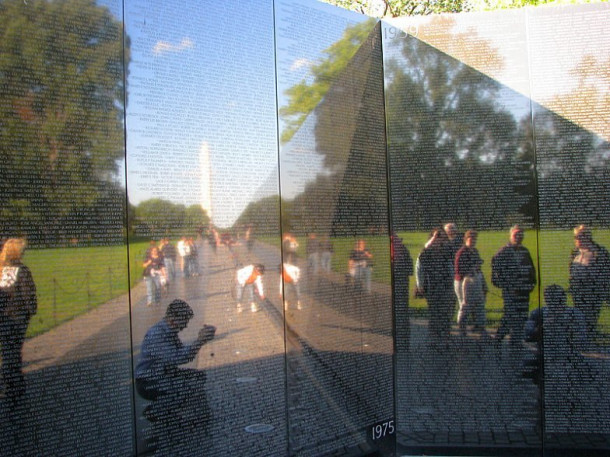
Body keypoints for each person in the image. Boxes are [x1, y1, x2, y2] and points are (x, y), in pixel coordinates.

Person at [135, 299, 215, 425]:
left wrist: (200, 339)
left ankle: (166, 410)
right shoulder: (157, 334)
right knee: (186, 386)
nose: (185, 326)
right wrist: (199, 341)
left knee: (198, 377)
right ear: (173, 320)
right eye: (184, 322)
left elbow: (184, 354)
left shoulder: (169, 331)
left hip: (163, 374)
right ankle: (156, 412)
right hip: (148, 381)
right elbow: (178, 358)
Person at [0, 238, 37, 405]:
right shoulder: (21, 270)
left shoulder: (3, 269)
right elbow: (28, 295)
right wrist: (31, 311)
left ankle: (11, 384)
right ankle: (15, 386)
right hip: (18, 317)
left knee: (8, 352)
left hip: (5, 317)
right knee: (13, 353)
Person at [492, 225, 536, 350]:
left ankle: (515, 342)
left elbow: (531, 269)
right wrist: (506, 285)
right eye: (516, 234)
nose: (518, 237)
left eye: (521, 234)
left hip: (524, 290)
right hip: (511, 292)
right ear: (510, 235)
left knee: (522, 317)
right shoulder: (503, 252)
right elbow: (495, 274)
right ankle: (498, 339)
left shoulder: (525, 251)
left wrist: (532, 283)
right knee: (509, 317)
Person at [569, 225, 610, 344]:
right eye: (575, 237)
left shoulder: (599, 252)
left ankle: (590, 342)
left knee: (590, 317)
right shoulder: (574, 252)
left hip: (592, 292)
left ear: (586, 237)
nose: (575, 239)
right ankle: (583, 340)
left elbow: (606, 273)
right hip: (577, 291)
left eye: (578, 237)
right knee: (579, 317)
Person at [416, 228, 455, 344]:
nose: (439, 239)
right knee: (434, 312)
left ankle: (445, 336)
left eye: (441, 237)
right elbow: (419, 266)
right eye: (437, 237)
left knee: (446, 312)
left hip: (445, 286)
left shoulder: (446, 251)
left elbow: (450, 266)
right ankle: (434, 337)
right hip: (432, 286)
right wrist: (420, 284)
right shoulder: (427, 252)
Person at [454, 230, 487, 335]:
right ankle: (462, 329)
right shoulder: (461, 252)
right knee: (465, 305)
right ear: (466, 239)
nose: (473, 241)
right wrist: (472, 267)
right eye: (471, 238)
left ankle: (478, 326)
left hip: (475, 280)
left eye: (475, 239)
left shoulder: (475, 251)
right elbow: (458, 270)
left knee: (478, 303)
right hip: (463, 282)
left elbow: (478, 267)